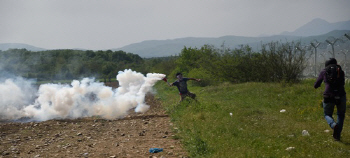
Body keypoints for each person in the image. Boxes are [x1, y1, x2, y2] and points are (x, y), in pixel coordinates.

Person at [314, 58, 347, 141]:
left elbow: (317, 83)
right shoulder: (340, 71)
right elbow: (343, 83)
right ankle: (337, 135)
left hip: (328, 95)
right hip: (341, 95)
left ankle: (333, 125)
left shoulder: (324, 71)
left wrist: (316, 86)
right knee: (341, 114)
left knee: (327, 114)